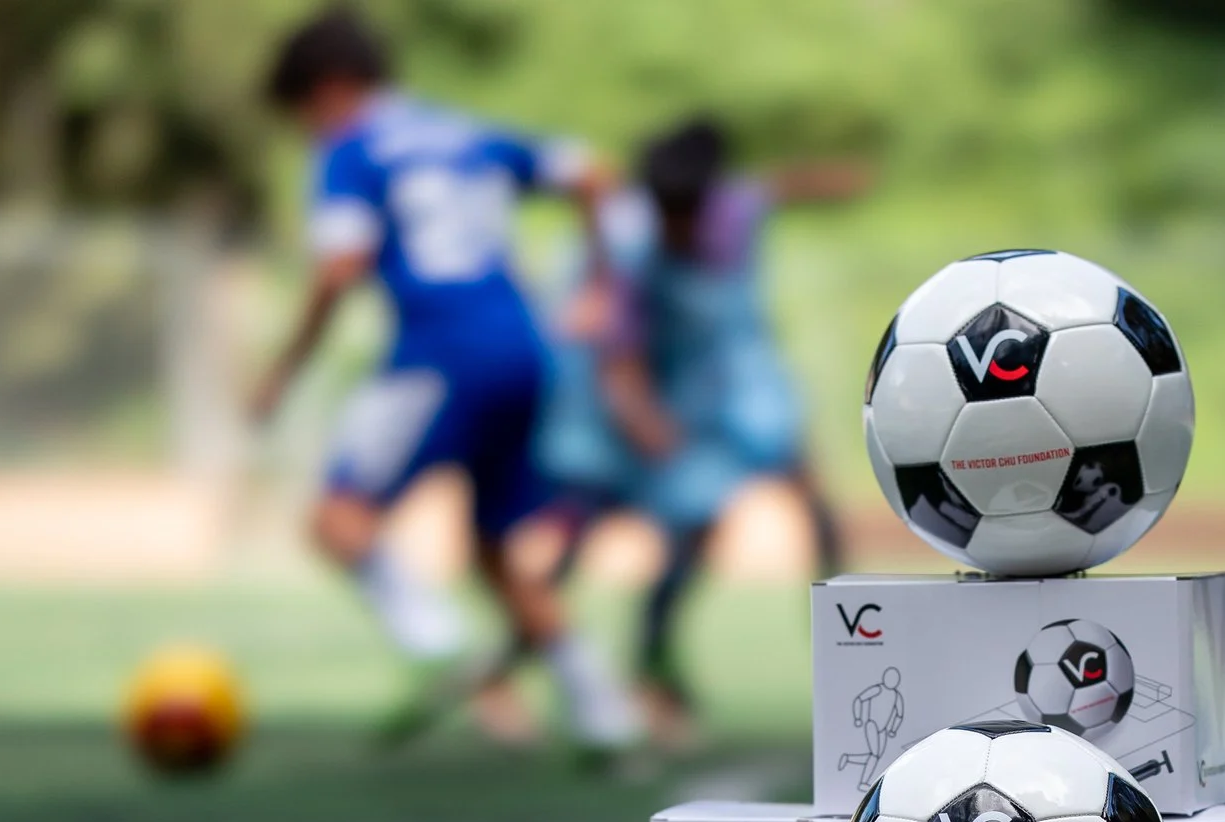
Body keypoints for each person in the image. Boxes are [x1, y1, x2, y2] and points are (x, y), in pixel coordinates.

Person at [249, 7, 634, 756]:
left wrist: (281, 371)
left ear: (327, 88)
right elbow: (594, 172)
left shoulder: (350, 150)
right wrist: (597, 285)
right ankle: (604, 716)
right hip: (525, 349)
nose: (307, 128)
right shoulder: (464, 132)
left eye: (302, 110)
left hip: (438, 352)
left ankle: (442, 649)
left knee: (336, 519)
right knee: (491, 548)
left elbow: (340, 266)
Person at [596, 117, 865, 744]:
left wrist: (846, 177)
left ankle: (848, 648)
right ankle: (654, 671)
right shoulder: (638, 258)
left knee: (819, 517)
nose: (681, 227)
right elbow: (622, 357)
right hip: (691, 416)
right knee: (689, 546)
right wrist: (642, 419)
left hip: (757, 394)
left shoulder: (735, 212)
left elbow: (784, 186)